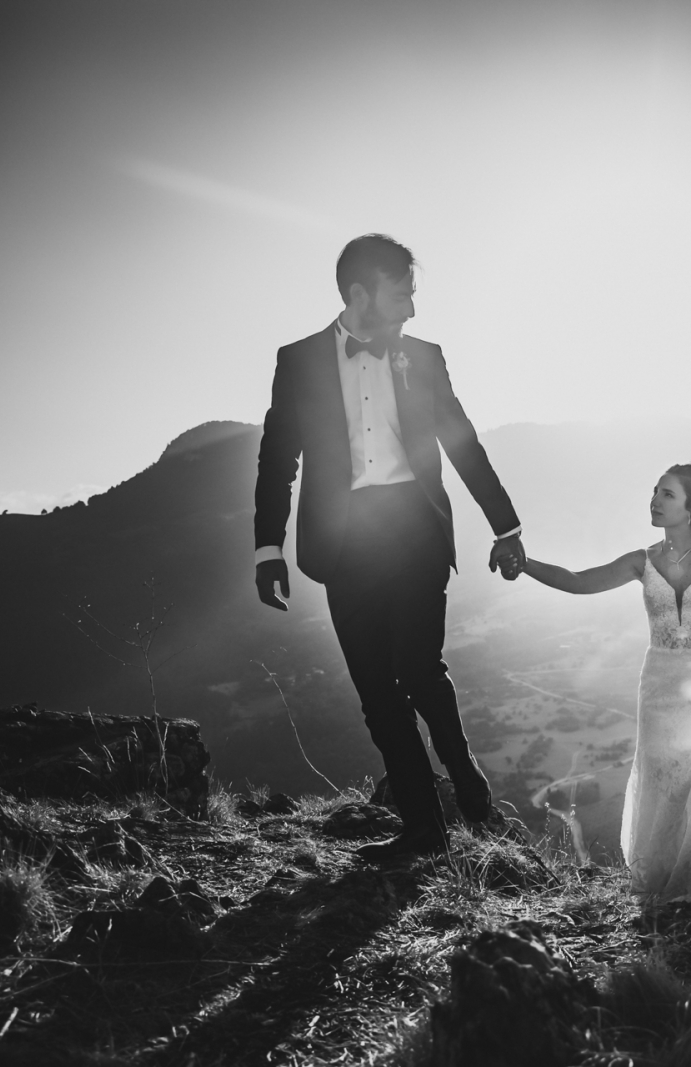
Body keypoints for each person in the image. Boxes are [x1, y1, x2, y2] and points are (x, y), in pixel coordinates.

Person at [252, 234, 526, 862]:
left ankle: (469, 789)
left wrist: (504, 525)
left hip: (415, 528)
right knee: (377, 688)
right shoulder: (297, 362)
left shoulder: (425, 356)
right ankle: (425, 829)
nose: (411, 306)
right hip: (344, 542)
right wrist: (267, 547)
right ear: (359, 293)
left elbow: (462, 441)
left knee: (421, 672)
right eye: (401, 292)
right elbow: (277, 459)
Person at [520, 463, 691, 898]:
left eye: (667, 495)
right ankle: (662, 883)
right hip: (658, 690)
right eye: (655, 492)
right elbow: (577, 582)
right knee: (663, 785)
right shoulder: (640, 562)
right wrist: (525, 562)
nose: (655, 501)